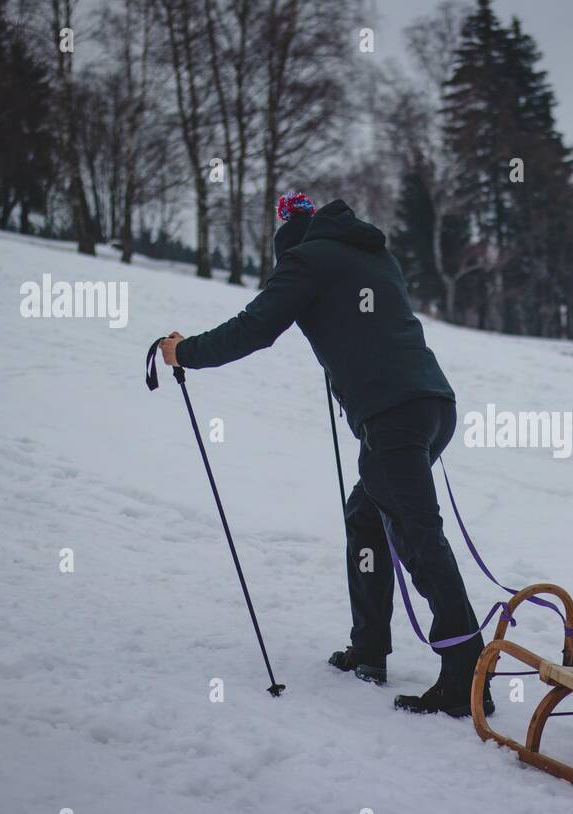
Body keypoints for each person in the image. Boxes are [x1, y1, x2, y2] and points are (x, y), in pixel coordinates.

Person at [160, 192, 492, 718]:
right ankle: (370, 649)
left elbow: (255, 327)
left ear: (287, 245)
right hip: (434, 406)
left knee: (419, 536)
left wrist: (187, 352)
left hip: (392, 418)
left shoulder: (306, 260)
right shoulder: (372, 253)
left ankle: (465, 674)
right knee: (368, 515)